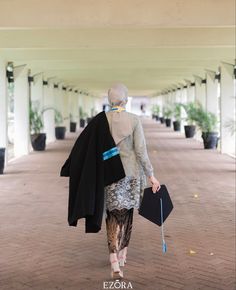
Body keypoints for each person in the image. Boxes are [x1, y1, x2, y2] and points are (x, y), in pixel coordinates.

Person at [104, 83, 161, 279]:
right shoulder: (134, 120)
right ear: (126, 100)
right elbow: (140, 151)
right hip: (130, 175)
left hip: (108, 176)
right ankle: (122, 258)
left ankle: (113, 261)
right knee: (126, 216)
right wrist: (151, 174)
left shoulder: (102, 121)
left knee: (112, 216)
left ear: (109, 100)